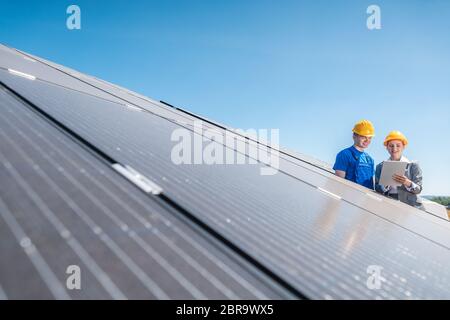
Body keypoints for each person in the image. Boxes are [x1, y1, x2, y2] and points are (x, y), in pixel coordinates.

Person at [375, 131, 424, 209]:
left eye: (398, 145)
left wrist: (407, 183)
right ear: (386, 147)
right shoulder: (380, 167)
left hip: (410, 206)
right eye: (391, 146)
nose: (394, 149)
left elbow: (418, 190)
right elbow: (377, 189)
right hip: (389, 204)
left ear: (403, 147)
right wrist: (385, 185)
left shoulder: (413, 165)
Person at [333, 120, 375, 190]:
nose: (367, 140)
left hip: (366, 198)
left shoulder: (370, 159)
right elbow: (339, 183)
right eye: (363, 137)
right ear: (354, 136)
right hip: (349, 196)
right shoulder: (344, 154)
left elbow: (372, 183)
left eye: (370, 137)